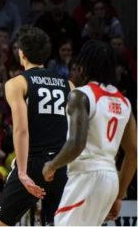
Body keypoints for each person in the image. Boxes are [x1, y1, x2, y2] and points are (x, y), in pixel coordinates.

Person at [42, 41, 137, 225]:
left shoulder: (80, 95)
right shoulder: (124, 102)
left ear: (84, 66)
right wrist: (118, 196)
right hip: (110, 178)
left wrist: (52, 165)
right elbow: (133, 153)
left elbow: (77, 143)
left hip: (87, 176)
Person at [0, 26, 73, 226]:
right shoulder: (69, 85)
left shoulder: (16, 83)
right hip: (61, 166)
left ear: (22, 54)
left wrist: (22, 172)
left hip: (33, 163)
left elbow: (21, 129)